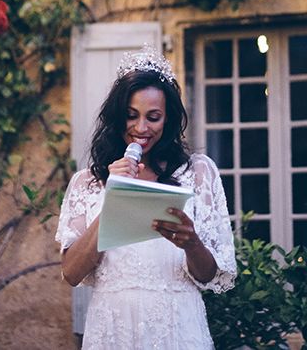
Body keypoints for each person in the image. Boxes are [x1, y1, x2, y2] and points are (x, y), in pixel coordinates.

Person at [55, 44, 236, 349]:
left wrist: (192, 242)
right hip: (113, 328)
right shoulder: (87, 183)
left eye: (153, 117)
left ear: (167, 121)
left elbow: (208, 276)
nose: (141, 128)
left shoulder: (198, 174)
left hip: (178, 326)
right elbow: (72, 273)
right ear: (117, 117)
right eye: (131, 116)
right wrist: (114, 196)